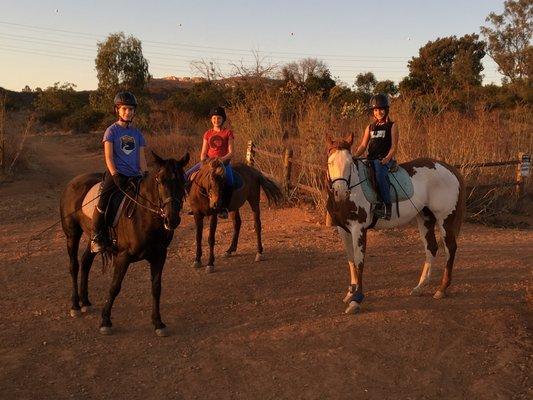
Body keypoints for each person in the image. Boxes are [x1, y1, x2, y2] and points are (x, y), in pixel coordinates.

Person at [91, 91, 148, 252]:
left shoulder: (137, 133)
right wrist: (115, 175)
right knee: (103, 201)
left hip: (135, 175)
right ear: (117, 110)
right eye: (124, 109)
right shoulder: (111, 131)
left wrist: (145, 173)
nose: (128, 112)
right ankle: (96, 237)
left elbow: (141, 157)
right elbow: (108, 157)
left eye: (130, 109)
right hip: (116, 174)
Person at [353, 93, 399, 220]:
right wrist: (354, 156)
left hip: (384, 160)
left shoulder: (392, 126)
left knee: (379, 174)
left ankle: (386, 206)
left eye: (381, 109)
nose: (379, 112)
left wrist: (386, 159)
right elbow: (363, 145)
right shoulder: (370, 127)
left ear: (386, 109)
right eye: (376, 110)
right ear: (373, 111)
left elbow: (394, 147)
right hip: (371, 158)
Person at [185, 106, 234, 219]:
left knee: (230, 182)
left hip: (223, 163)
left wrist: (221, 160)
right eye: (214, 118)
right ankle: (193, 204)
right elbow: (203, 153)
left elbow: (231, 153)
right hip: (208, 163)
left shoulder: (228, 133)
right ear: (211, 119)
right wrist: (205, 162)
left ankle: (224, 208)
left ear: (223, 120)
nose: (216, 120)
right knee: (187, 176)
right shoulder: (207, 134)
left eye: (219, 118)